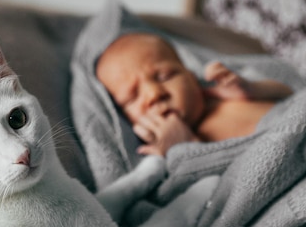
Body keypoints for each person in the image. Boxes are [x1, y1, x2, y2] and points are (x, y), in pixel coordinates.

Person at [95, 33, 294, 156]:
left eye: (165, 76)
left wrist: (253, 89)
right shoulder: (165, 152)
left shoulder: (222, 94)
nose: (154, 93)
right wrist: (185, 149)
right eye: (132, 97)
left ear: (190, 76)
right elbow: (218, 190)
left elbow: (292, 94)